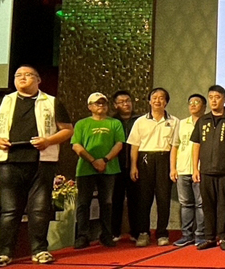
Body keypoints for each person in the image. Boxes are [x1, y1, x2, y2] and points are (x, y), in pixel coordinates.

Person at [0, 65, 73, 267]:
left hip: (41, 161)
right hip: (9, 160)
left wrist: (48, 141)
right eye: (18, 75)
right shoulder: (4, 101)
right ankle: (4, 252)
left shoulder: (52, 102)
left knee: (39, 209)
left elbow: (67, 130)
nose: (22, 78)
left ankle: (39, 250)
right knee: (9, 210)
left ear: (38, 80)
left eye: (28, 75)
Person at [191, 85, 225, 251]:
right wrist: (195, 168)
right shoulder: (203, 120)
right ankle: (209, 237)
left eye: (217, 97)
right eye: (211, 97)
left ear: (224, 99)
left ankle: (223, 237)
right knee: (207, 205)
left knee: (224, 205)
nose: (214, 100)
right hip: (206, 170)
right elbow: (196, 145)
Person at [71, 93, 125, 249]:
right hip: (85, 169)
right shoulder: (82, 124)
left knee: (107, 203)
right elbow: (76, 146)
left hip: (109, 169)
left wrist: (105, 160)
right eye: (97, 103)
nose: (101, 106)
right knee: (83, 203)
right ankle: (82, 236)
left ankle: (106, 235)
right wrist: (93, 161)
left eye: (103, 103)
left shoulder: (115, 123)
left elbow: (119, 144)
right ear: (90, 107)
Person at [127, 88, 178, 247]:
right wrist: (133, 166)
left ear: (166, 102)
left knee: (163, 199)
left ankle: (162, 233)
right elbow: (134, 146)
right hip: (145, 160)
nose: (157, 100)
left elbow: (175, 146)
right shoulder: (140, 121)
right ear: (149, 101)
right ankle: (143, 233)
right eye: (154, 97)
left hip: (164, 159)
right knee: (144, 199)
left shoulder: (174, 121)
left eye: (161, 98)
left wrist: (173, 168)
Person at [170, 94, 207, 247]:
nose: (193, 105)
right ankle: (186, 235)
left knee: (201, 204)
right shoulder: (181, 123)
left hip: (201, 169)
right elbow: (175, 146)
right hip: (183, 169)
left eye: (196, 102)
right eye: (190, 102)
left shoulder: (207, 123)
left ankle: (200, 235)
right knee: (185, 204)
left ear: (204, 107)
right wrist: (173, 168)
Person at [110, 90, 141, 242]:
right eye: (121, 102)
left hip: (136, 166)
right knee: (116, 199)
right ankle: (114, 232)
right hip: (116, 166)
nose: (126, 104)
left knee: (135, 200)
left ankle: (136, 232)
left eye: (128, 101)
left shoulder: (140, 120)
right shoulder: (111, 122)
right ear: (115, 105)